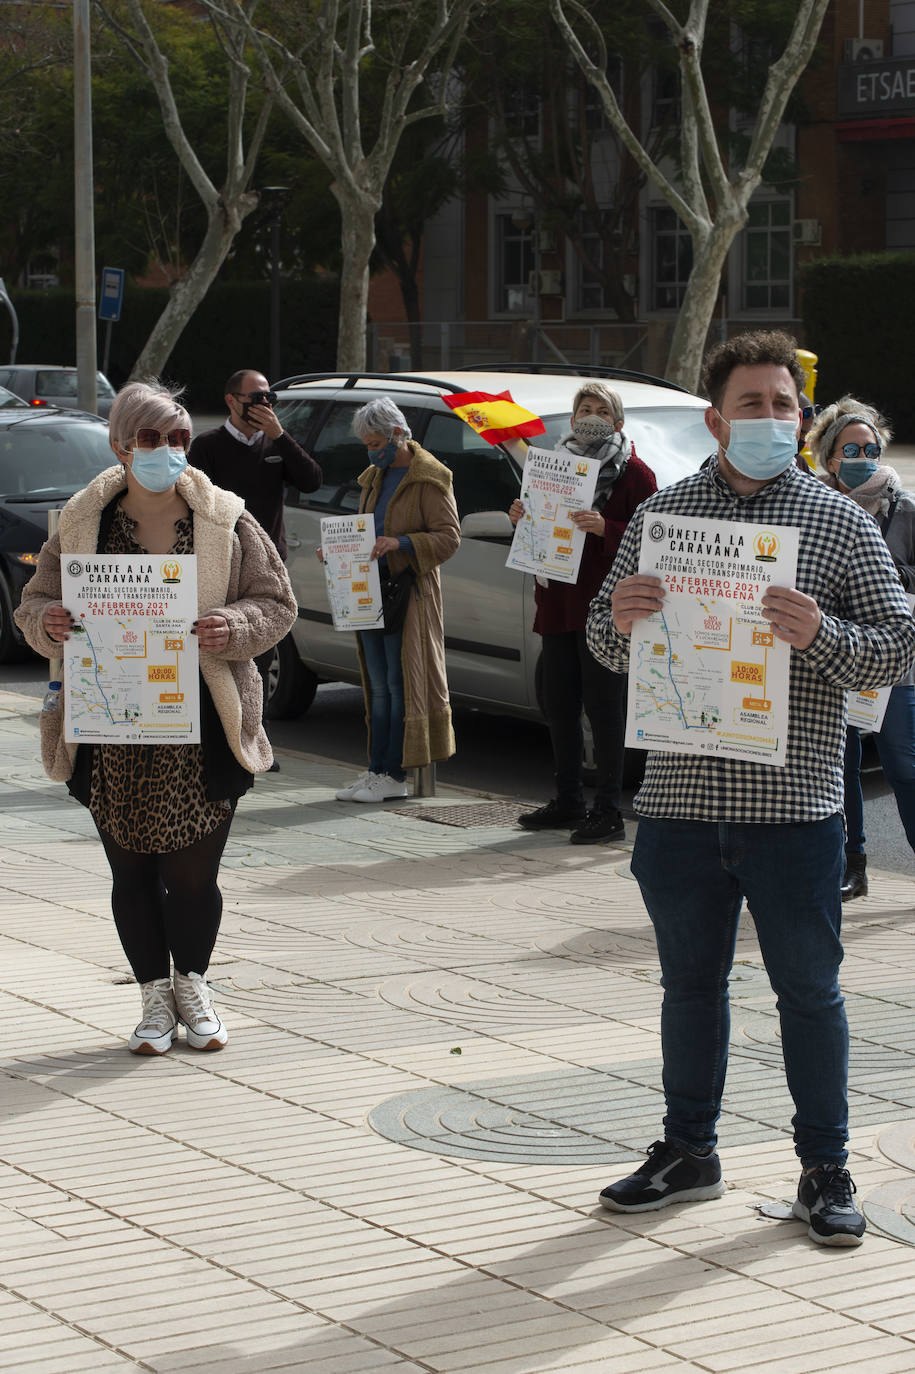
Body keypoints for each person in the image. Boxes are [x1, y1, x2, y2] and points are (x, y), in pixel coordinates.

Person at [586, 331, 915, 1247]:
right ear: (713, 418)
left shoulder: (839, 520)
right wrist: (618, 620)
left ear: (801, 420)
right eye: (749, 405)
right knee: (688, 988)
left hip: (796, 811)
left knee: (809, 994)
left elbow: (898, 643)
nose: (767, 418)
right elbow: (605, 648)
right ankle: (687, 1151)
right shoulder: (666, 519)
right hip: (682, 810)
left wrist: (821, 635)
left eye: (782, 405)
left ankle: (825, 1167)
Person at [14, 381, 297, 1056]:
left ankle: (193, 986)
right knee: (132, 874)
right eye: (151, 439)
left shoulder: (225, 521)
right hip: (112, 726)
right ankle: (151, 1000)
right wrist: (47, 623)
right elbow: (34, 606)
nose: (168, 452)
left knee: (193, 876)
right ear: (120, 444)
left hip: (201, 722)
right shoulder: (81, 523)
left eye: (177, 440)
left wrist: (230, 626)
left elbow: (276, 603)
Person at [508, 382, 657, 843]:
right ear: (572, 420)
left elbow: (652, 540)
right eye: (583, 409)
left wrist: (605, 527)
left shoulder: (636, 473)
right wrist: (522, 516)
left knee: (604, 709)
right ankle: (568, 800)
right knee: (560, 705)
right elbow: (540, 532)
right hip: (558, 604)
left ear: (617, 422)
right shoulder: (551, 467)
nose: (590, 416)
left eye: (600, 410)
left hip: (604, 609)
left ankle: (608, 809)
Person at [322, 398, 460, 803]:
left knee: (400, 686)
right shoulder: (373, 476)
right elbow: (363, 531)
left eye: (376, 441)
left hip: (407, 594)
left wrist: (399, 542)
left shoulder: (431, 477)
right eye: (366, 443)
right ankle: (376, 769)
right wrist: (337, 550)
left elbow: (449, 538)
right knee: (377, 686)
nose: (371, 449)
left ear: (399, 434)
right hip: (367, 592)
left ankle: (396, 774)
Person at [808, 396, 915, 901]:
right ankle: (855, 865)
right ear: (831, 457)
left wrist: (887, 577)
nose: (864, 457)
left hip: (895, 664)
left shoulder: (904, 509)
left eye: (871, 448)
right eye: (852, 449)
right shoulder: (816, 508)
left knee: (904, 765)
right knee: (842, 765)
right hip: (836, 657)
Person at [189, 369, 322, 764]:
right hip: (219, 565)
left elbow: (312, 480)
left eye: (269, 399)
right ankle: (216, 741)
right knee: (216, 650)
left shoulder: (275, 444)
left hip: (267, 566)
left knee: (260, 656)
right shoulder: (208, 446)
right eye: (255, 399)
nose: (264, 406)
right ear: (231, 401)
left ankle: (254, 743)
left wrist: (281, 435)